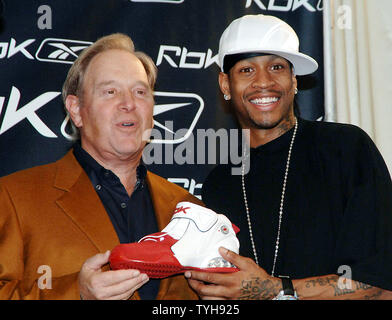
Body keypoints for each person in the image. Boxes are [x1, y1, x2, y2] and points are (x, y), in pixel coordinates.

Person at [185, 14, 392, 300]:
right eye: (246, 70)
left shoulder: (346, 149)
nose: (264, 82)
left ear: (293, 80)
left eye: (277, 67)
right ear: (224, 85)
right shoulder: (219, 184)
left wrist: (275, 290)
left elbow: (378, 285)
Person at [0, 33, 201, 300]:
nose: (129, 103)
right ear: (76, 110)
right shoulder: (14, 197)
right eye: (110, 91)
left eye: (140, 92)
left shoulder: (188, 209)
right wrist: (76, 293)